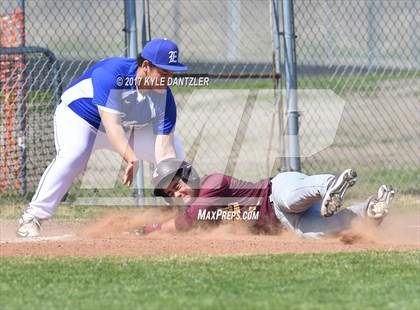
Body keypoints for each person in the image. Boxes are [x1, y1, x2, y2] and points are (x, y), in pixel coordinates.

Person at [17, 38, 188, 238]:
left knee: (175, 151)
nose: (168, 79)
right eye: (163, 73)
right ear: (146, 67)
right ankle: (32, 217)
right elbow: (111, 126)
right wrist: (131, 157)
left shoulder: (164, 98)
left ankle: (181, 213)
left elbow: (164, 148)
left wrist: (172, 179)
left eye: (172, 74)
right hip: (81, 118)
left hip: (124, 127)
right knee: (74, 155)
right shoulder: (112, 74)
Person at [138, 158, 395, 239]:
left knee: (294, 197)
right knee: (320, 232)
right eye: (170, 193)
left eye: (177, 184)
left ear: (189, 176)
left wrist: (153, 229)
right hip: (285, 223)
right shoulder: (197, 212)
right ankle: (372, 207)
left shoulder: (211, 185)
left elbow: (185, 223)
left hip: (275, 192)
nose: (177, 193)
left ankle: (331, 186)